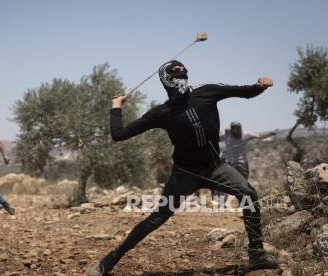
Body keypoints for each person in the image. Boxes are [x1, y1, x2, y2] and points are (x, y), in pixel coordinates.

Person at [88, 60, 279, 275]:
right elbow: (119, 134)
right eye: (176, 72)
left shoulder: (207, 91)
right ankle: (110, 260)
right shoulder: (161, 113)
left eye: (183, 71)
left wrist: (260, 85)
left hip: (215, 167)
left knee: (248, 193)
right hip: (185, 174)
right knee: (157, 218)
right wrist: (116, 107)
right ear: (166, 80)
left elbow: (245, 91)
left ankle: (256, 254)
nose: (181, 74)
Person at [211, 122, 278, 207]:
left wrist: (271, 133)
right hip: (229, 163)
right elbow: (215, 139)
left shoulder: (245, 134)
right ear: (232, 128)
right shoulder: (227, 135)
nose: (239, 129)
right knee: (225, 184)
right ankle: (221, 204)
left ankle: (243, 205)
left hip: (242, 163)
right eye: (236, 128)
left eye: (239, 127)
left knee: (243, 184)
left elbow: (259, 136)